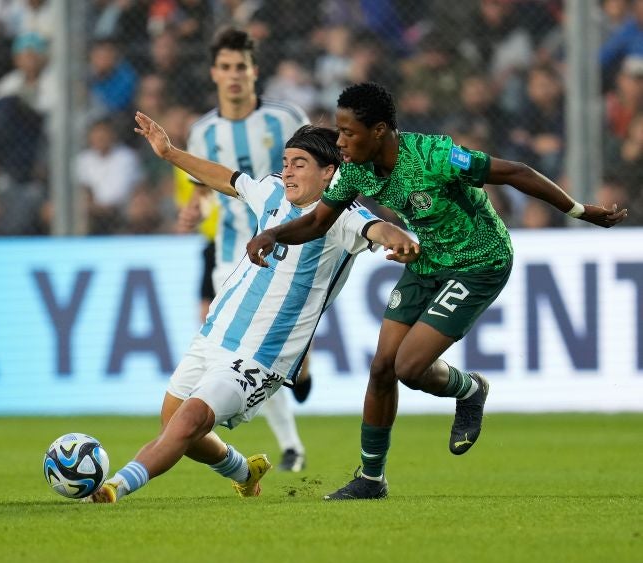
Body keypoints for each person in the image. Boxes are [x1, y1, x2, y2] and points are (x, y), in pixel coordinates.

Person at [245, 82, 629, 500]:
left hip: (479, 262)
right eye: (339, 132)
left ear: (379, 131)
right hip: (428, 261)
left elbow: (516, 172)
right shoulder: (355, 169)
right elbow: (318, 221)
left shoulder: (436, 156)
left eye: (348, 133)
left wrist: (578, 210)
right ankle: (371, 479)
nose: (340, 143)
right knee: (382, 368)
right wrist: (274, 233)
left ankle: (470, 389)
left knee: (409, 368)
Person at [89, 112, 419, 503]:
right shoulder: (273, 190)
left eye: (300, 164)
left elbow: (377, 228)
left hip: (261, 357)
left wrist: (398, 239)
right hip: (216, 334)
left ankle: (115, 487)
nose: (288, 172)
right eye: (286, 162)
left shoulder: (343, 217)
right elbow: (228, 179)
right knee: (174, 426)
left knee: (189, 421)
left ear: (329, 173)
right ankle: (245, 472)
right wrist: (169, 152)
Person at [179, 27, 312, 472]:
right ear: (214, 73)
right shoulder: (203, 132)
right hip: (231, 255)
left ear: (254, 71)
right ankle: (291, 446)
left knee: (260, 351)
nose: (234, 75)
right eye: (226, 67)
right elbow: (202, 190)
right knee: (243, 353)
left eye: (241, 66)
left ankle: (301, 366)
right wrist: (195, 209)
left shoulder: (286, 119)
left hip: (284, 246)